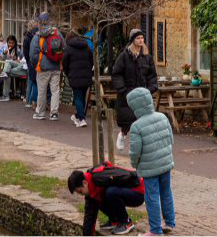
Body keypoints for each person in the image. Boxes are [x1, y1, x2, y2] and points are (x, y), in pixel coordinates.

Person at [127, 87, 175, 236]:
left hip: (149, 168)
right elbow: (171, 140)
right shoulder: (162, 117)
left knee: (151, 197)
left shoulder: (136, 127)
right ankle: (169, 222)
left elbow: (135, 151)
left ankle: (155, 230)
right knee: (166, 193)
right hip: (165, 164)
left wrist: (135, 164)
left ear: (135, 106)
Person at [111, 29, 158, 151]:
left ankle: (140, 146)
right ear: (133, 40)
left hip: (143, 94)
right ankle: (122, 135)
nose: (141, 40)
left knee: (144, 122)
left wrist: (150, 89)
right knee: (128, 120)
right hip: (128, 93)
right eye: (138, 38)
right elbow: (116, 74)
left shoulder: (147, 57)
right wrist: (123, 89)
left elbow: (152, 75)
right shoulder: (124, 56)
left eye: (142, 38)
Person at [68, 163, 145, 236]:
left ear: (84, 183)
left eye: (80, 191)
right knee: (98, 198)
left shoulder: (99, 177)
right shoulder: (91, 190)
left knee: (110, 192)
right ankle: (115, 220)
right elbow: (89, 217)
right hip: (126, 192)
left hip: (137, 191)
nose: (81, 194)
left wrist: (140, 181)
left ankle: (126, 222)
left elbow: (125, 175)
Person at [30, 18, 65, 120]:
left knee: (42, 90)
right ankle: (54, 113)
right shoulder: (57, 33)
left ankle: (40, 113)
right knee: (55, 90)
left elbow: (32, 54)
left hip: (43, 67)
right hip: (56, 66)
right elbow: (64, 47)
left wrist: (36, 63)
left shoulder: (38, 36)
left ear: (40, 23)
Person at [62, 29, 94, 128]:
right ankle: (79, 116)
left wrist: (68, 74)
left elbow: (65, 64)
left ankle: (81, 119)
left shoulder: (68, 49)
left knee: (78, 98)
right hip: (86, 76)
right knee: (82, 97)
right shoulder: (86, 47)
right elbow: (91, 61)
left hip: (74, 76)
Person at [0, 36, 25, 101]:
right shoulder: (3, 48)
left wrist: (17, 60)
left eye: (12, 43)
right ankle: (4, 93)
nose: (11, 44)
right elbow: (0, 58)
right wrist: (4, 55)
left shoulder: (17, 49)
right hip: (2, 65)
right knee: (6, 74)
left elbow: (22, 58)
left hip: (12, 67)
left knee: (6, 73)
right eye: (9, 43)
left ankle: (5, 94)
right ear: (7, 42)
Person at [22, 17, 40, 108]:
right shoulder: (37, 37)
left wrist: (28, 59)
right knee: (35, 82)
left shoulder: (27, 38)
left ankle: (28, 100)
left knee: (30, 81)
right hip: (35, 61)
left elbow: (25, 52)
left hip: (30, 61)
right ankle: (33, 100)